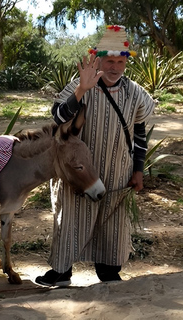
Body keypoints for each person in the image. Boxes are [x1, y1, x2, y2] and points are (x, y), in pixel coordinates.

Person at [35, 25, 156, 286]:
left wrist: (138, 169)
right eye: (109, 60)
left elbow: (140, 133)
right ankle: (62, 272)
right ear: (98, 59)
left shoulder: (135, 93)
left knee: (112, 223)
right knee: (70, 217)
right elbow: (57, 117)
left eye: (120, 61)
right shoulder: (80, 85)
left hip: (117, 171)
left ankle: (109, 272)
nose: (114, 67)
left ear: (126, 62)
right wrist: (80, 91)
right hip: (77, 172)